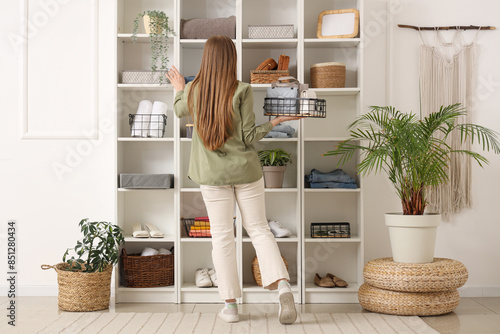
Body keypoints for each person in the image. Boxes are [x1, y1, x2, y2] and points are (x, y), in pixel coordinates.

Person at [166, 35, 301, 325]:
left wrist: (179, 88)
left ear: (206, 59)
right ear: (232, 59)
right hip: (247, 173)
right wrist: (275, 122)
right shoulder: (242, 89)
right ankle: (282, 287)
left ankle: (230, 307)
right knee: (259, 230)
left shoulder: (193, 90)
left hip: (212, 177)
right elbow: (249, 137)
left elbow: (178, 111)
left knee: (222, 236)